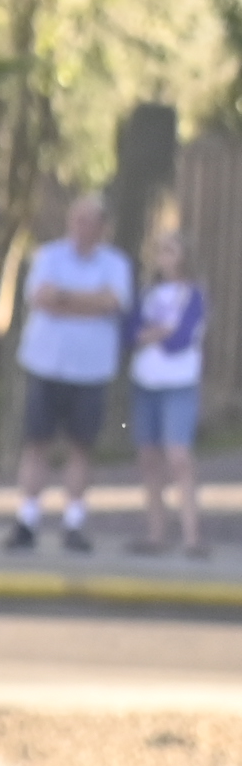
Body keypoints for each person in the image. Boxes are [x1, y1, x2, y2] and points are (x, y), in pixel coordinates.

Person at [8, 190, 136, 553]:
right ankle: (27, 519)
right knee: (37, 444)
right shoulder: (48, 256)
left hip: (91, 370)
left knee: (81, 447)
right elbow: (41, 299)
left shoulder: (116, 264)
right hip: (46, 364)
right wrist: (88, 301)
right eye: (77, 220)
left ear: (102, 227)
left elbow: (112, 303)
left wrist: (64, 298)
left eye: (89, 221)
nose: (81, 228)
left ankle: (74, 522)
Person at [131, 226, 208, 558]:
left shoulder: (194, 295)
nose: (164, 258)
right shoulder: (148, 294)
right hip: (146, 382)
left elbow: (181, 339)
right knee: (149, 457)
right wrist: (157, 331)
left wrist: (154, 333)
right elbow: (131, 332)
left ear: (184, 257)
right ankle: (156, 533)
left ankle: (192, 536)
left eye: (170, 251)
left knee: (179, 457)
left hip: (179, 383)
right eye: (160, 251)